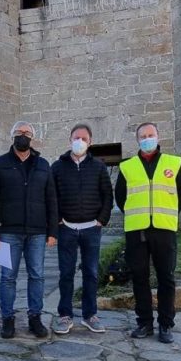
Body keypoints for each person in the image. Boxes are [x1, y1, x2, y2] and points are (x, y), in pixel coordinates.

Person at [0, 121, 59, 339]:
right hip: (8, 231)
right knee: (8, 277)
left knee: (37, 275)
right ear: (12, 136)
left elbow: (51, 199)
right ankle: (7, 319)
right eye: (19, 132)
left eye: (27, 133)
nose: (23, 135)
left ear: (32, 137)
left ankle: (35, 317)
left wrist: (53, 231)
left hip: (37, 232)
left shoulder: (43, 165)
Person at [115, 122, 181, 343]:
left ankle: (165, 324)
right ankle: (144, 322)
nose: (147, 138)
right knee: (139, 277)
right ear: (137, 140)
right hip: (137, 229)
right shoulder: (127, 166)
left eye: (151, 135)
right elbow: (120, 197)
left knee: (166, 277)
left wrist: (167, 215)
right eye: (143, 136)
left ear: (158, 137)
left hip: (164, 228)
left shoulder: (172, 163)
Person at [51, 123, 113, 335]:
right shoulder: (57, 167)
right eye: (76, 138)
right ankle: (64, 315)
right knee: (66, 273)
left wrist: (101, 220)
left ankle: (90, 315)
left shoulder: (98, 167)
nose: (80, 141)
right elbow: (51, 195)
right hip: (66, 228)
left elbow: (108, 195)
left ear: (90, 142)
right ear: (70, 140)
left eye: (84, 138)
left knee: (91, 273)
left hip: (91, 229)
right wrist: (57, 219)